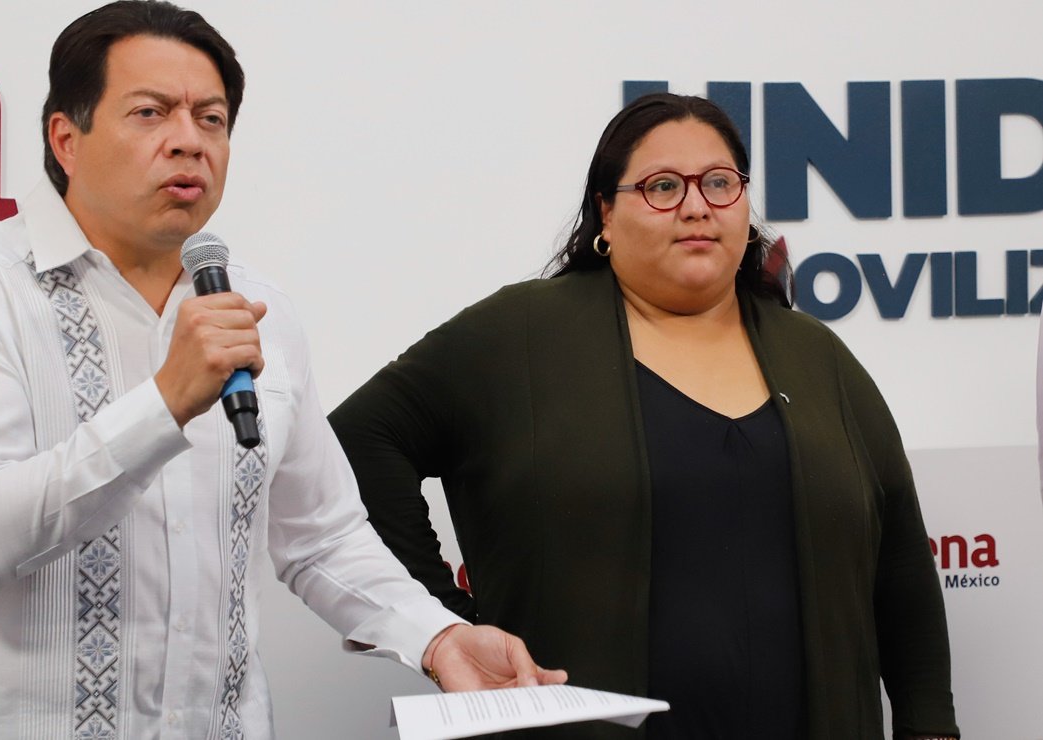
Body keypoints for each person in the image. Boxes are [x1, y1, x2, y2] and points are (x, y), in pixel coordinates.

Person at [0, 2, 565, 738]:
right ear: (66, 140)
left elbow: (321, 534)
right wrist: (164, 404)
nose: (189, 141)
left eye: (211, 119)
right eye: (150, 113)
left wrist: (437, 636)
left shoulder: (255, 303)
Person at [329, 92, 959, 739]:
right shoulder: (520, 336)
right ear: (606, 211)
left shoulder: (818, 357)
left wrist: (929, 727)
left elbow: (900, 564)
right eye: (663, 186)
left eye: (719, 183)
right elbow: (356, 442)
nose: (696, 206)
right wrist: (442, 624)